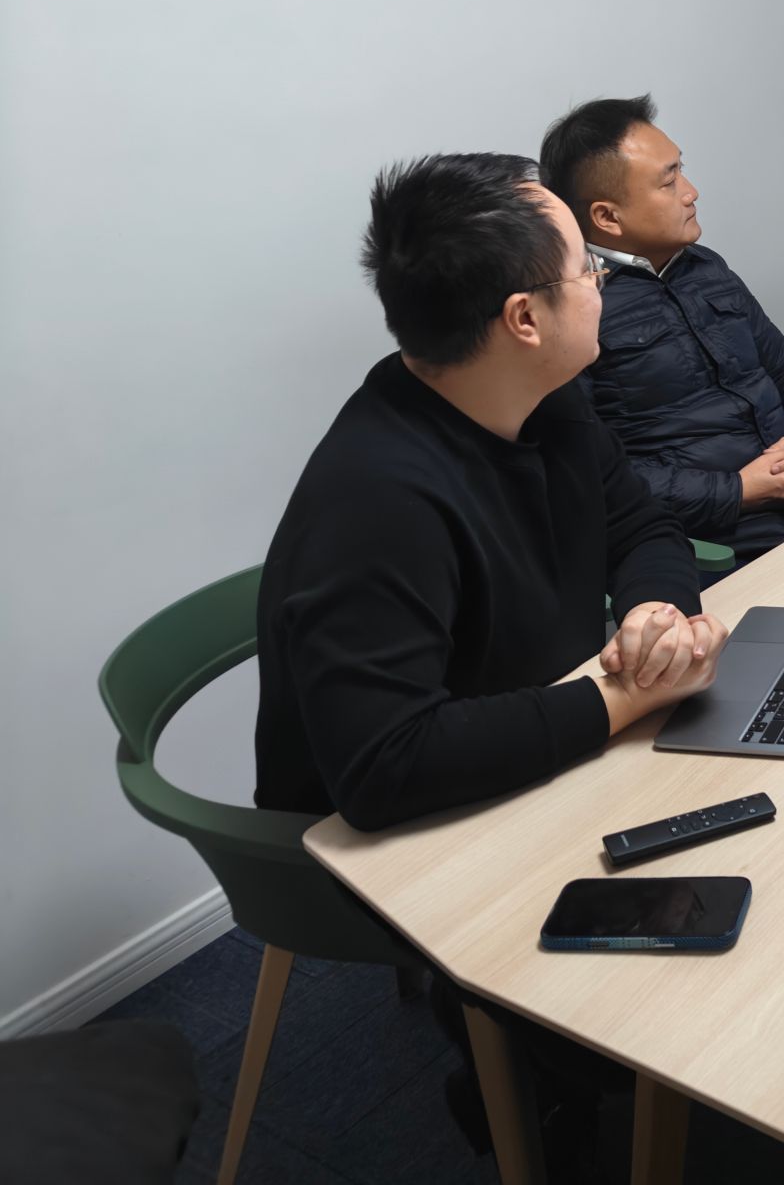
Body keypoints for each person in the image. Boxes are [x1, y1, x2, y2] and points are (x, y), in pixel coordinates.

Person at [255, 153, 728, 830]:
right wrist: (626, 698)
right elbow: (387, 763)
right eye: (589, 270)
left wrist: (657, 618)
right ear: (525, 319)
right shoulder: (376, 499)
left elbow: (641, 528)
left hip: (540, 759)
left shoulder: (544, 399)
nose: (602, 285)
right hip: (403, 840)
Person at [538, 95, 784, 564]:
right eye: (669, 181)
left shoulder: (706, 267)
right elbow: (587, 472)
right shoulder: (574, 310)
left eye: (682, 169)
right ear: (607, 217)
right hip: (714, 544)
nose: (691, 191)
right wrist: (738, 491)